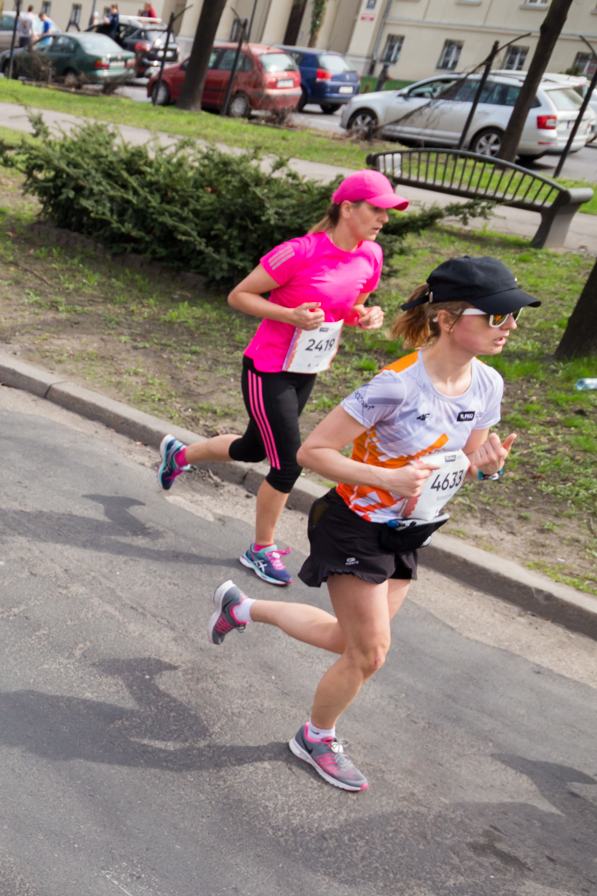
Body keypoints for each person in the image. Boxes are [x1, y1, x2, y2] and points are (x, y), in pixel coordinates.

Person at [207, 256, 527, 792]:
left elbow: (468, 457)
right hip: (352, 521)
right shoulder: (397, 385)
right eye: (495, 316)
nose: (510, 326)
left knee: (345, 641)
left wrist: (488, 467)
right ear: (447, 319)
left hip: (408, 529)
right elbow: (314, 451)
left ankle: (243, 607)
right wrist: (389, 479)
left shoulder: (487, 384)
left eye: (512, 316)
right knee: (370, 652)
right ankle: (316, 737)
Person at [158, 172, 407, 588]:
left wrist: (365, 316)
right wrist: (288, 315)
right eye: (376, 208)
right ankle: (261, 548)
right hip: (268, 368)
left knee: (251, 448)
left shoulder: (371, 255)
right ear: (348, 209)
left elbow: (351, 305)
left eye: (387, 210)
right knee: (289, 462)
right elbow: (239, 295)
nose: (384, 217)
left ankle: (179, 456)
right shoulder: (298, 252)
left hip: (306, 369)